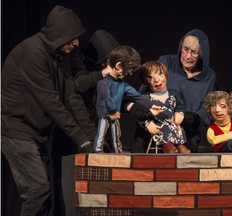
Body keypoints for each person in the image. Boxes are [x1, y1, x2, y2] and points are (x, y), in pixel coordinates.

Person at [1, 5, 93, 215]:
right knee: (37, 191)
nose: (76, 43)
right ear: (60, 34)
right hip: (16, 130)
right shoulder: (32, 53)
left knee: (45, 194)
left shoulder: (60, 56)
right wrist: (81, 138)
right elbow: (52, 103)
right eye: (72, 38)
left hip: (36, 133)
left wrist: (94, 137)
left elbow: (72, 98)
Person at [51, 29, 119, 215]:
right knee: (66, 187)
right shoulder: (76, 60)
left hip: (94, 129)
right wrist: (103, 73)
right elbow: (79, 84)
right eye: (106, 61)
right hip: (71, 132)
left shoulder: (106, 73)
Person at [130, 29, 217, 152]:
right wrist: (147, 121)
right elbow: (143, 95)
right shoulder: (167, 62)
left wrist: (191, 117)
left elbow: (208, 110)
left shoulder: (209, 77)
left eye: (194, 52)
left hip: (186, 134)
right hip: (154, 129)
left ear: (202, 54)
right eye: (185, 49)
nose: (188, 56)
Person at [94, 46, 161, 153]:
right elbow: (106, 98)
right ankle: (98, 150)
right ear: (118, 66)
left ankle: (118, 150)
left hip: (115, 115)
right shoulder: (103, 83)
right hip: (106, 115)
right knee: (102, 133)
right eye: (128, 69)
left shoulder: (122, 85)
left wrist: (150, 106)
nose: (130, 73)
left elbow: (137, 96)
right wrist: (112, 112)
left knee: (116, 134)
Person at [128, 61, 190, 153]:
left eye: (160, 75)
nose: (157, 80)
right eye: (150, 77)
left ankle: (179, 145)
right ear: (146, 80)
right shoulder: (146, 98)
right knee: (163, 128)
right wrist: (147, 123)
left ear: (166, 76)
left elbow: (180, 105)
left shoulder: (173, 94)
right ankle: (168, 146)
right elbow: (140, 114)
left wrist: (179, 112)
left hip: (172, 123)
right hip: (158, 125)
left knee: (176, 127)